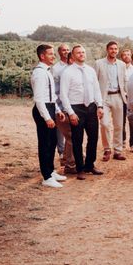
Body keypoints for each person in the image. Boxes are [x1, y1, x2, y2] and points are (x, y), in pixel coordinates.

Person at [60, 45, 105, 180]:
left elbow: (96, 89)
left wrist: (100, 106)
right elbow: (63, 95)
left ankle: (90, 165)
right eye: (78, 53)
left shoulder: (90, 71)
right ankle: (80, 169)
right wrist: (71, 113)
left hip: (91, 107)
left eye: (83, 52)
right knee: (77, 139)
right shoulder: (67, 72)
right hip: (76, 108)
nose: (81, 54)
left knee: (93, 137)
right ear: (72, 56)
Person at [31, 44, 68, 188]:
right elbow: (39, 99)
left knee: (52, 142)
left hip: (51, 107)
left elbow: (51, 95)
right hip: (43, 110)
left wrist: (57, 110)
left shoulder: (47, 71)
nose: (54, 56)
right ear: (42, 56)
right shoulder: (39, 73)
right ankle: (46, 177)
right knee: (45, 143)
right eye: (50, 54)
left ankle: (51, 171)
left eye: (53, 54)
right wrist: (47, 117)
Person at [95, 41, 128, 161]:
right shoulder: (98, 63)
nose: (113, 51)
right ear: (107, 50)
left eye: (115, 49)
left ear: (117, 50)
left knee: (119, 125)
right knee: (104, 124)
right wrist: (96, 100)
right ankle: (107, 149)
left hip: (118, 96)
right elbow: (95, 82)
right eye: (111, 49)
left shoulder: (122, 65)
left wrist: (126, 94)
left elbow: (125, 81)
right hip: (104, 98)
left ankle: (118, 151)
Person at [51, 43, 76, 174]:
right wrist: (58, 108)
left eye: (68, 50)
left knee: (70, 134)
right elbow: (56, 91)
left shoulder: (73, 68)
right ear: (59, 53)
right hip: (62, 107)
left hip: (72, 106)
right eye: (64, 50)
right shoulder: (57, 69)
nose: (66, 52)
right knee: (69, 134)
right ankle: (68, 161)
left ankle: (67, 159)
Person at [120, 48, 133, 152]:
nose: (126, 56)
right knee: (121, 121)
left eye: (128, 54)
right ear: (121, 57)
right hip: (122, 97)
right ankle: (122, 141)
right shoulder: (119, 69)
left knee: (132, 121)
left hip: (132, 97)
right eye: (124, 55)